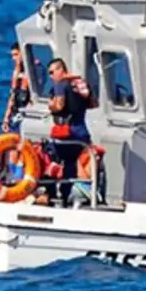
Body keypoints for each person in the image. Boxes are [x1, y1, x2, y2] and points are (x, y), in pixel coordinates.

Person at [46, 58, 93, 207]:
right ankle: (73, 196)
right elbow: (93, 103)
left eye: (52, 72)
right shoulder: (79, 84)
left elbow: (59, 106)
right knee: (73, 165)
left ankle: (52, 195)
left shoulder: (61, 84)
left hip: (67, 134)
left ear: (61, 69)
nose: (51, 76)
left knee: (48, 155)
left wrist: (51, 105)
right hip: (82, 133)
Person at [2, 43, 32, 133]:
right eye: (12, 55)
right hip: (16, 112)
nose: (14, 58)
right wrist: (6, 118)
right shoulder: (16, 72)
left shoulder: (33, 70)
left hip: (26, 111)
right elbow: (12, 95)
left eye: (16, 55)